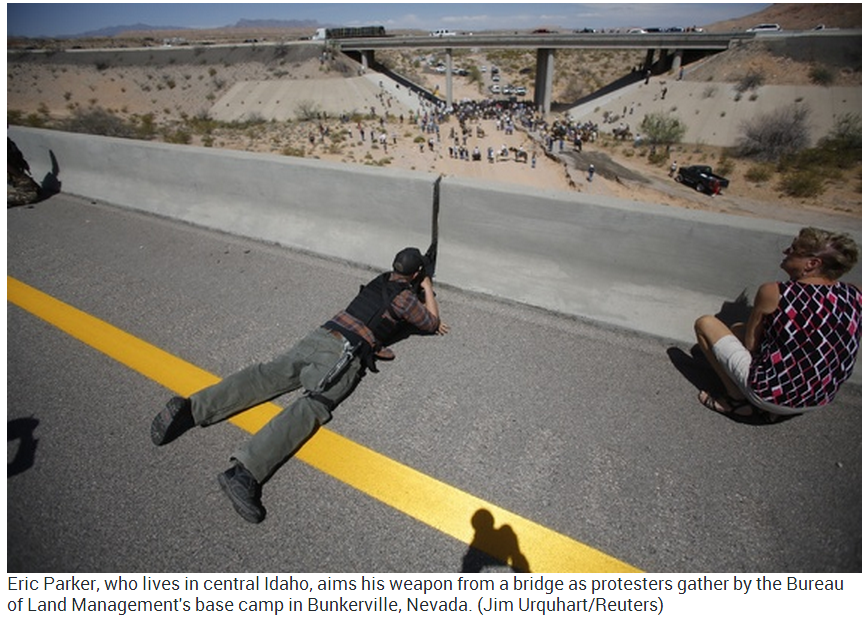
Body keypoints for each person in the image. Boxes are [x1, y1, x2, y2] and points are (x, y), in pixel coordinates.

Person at [151, 248, 449, 523]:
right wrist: (426, 287)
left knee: (267, 375)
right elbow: (431, 323)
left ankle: (192, 408)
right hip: (343, 353)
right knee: (311, 406)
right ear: (414, 274)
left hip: (323, 334)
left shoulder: (381, 279)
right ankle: (245, 472)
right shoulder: (407, 297)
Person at [694, 228, 861, 419]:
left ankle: (736, 400)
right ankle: (782, 397)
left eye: (794, 249)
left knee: (706, 323)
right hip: (821, 398)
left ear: (812, 263)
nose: (785, 252)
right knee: (738, 330)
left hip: (769, 395)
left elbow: (751, 345)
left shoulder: (774, 292)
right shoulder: (856, 294)